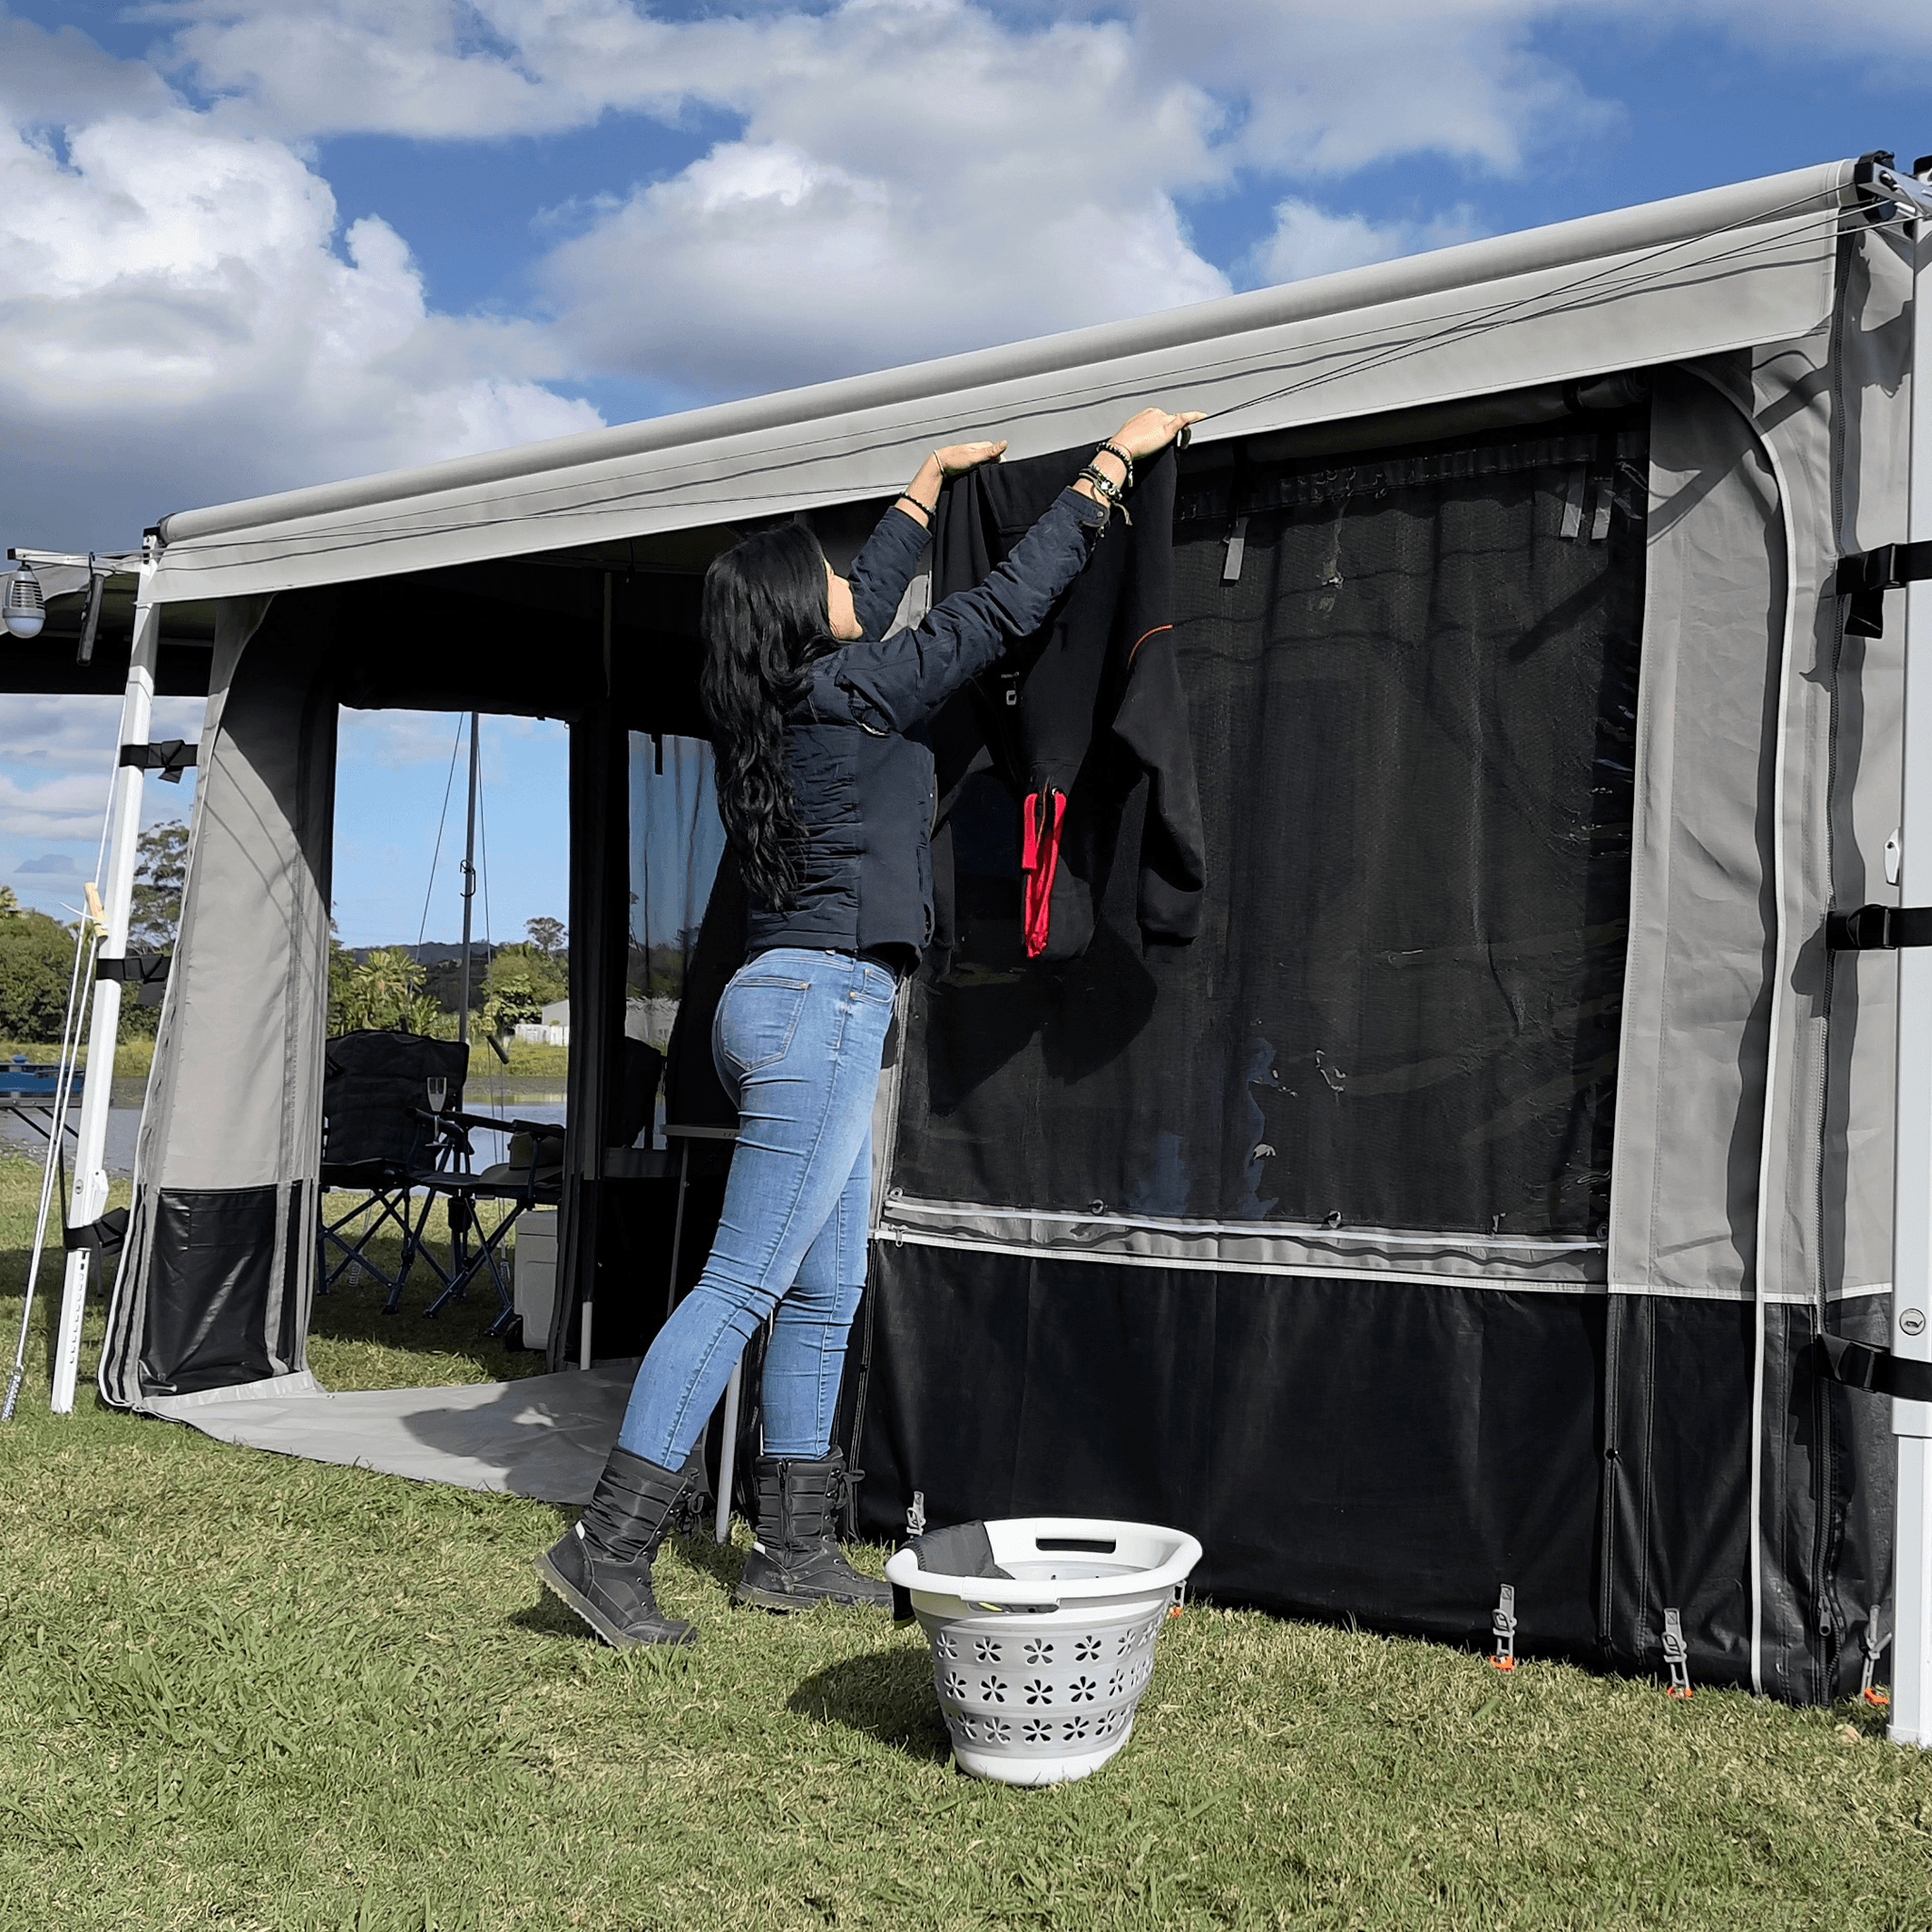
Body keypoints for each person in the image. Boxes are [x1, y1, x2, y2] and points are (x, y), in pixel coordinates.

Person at [536, 404, 1204, 1648]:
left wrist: (921, 486)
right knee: (746, 1281)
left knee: (823, 1284)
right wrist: (1113, 466)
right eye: (838, 581)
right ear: (810, 614)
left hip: (795, 1005)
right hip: (820, 1009)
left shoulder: (794, 694)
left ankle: (790, 1550)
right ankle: (606, 1547)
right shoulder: (856, 690)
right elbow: (1000, 609)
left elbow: (883, 590)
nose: (862, 585)